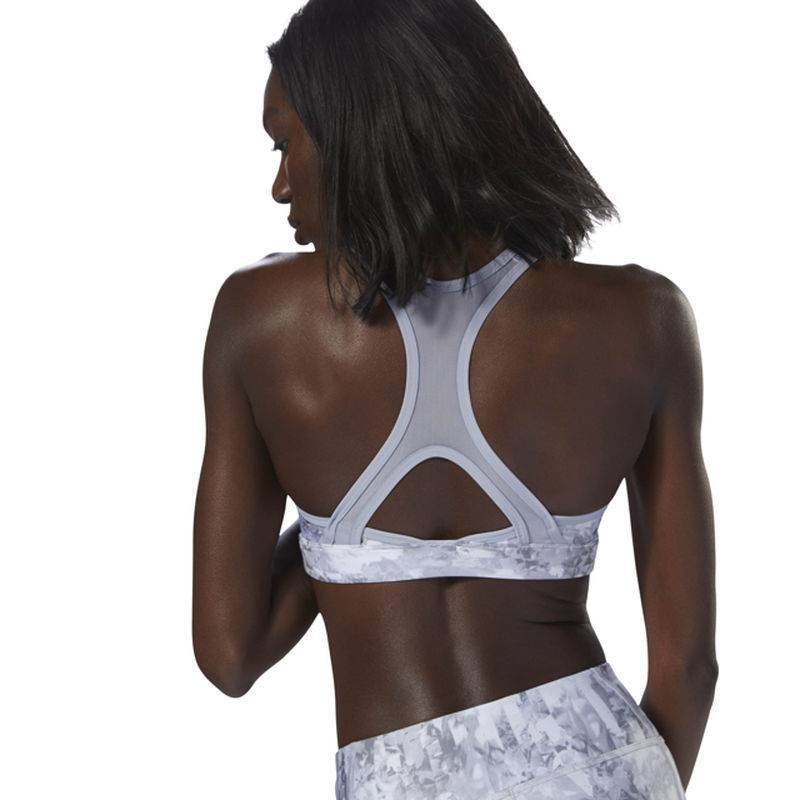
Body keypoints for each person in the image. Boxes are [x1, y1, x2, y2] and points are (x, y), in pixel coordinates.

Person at [192, 1, 718, 797]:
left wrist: (337, 522)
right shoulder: (642, 319)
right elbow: (689, 667)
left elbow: (231, 654)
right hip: (607, 771)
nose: (279, 184)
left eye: (284, 143)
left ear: (362, 129)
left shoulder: (259, 322)